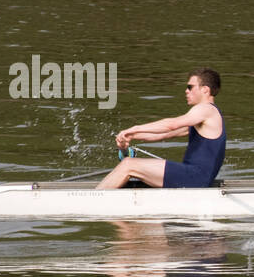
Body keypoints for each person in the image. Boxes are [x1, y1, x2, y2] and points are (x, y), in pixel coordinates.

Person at [96, 68, 226, 190]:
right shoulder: (203, 118)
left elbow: (171, 124)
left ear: (205, 90)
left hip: (194, 177)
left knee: (128, 165)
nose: (186, 91)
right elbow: (163, 134)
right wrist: (131, 136)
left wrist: (135, 128)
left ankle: (92, 200)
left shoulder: (206, 109)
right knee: (130, 165)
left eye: (190, 87)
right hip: (196, 178)